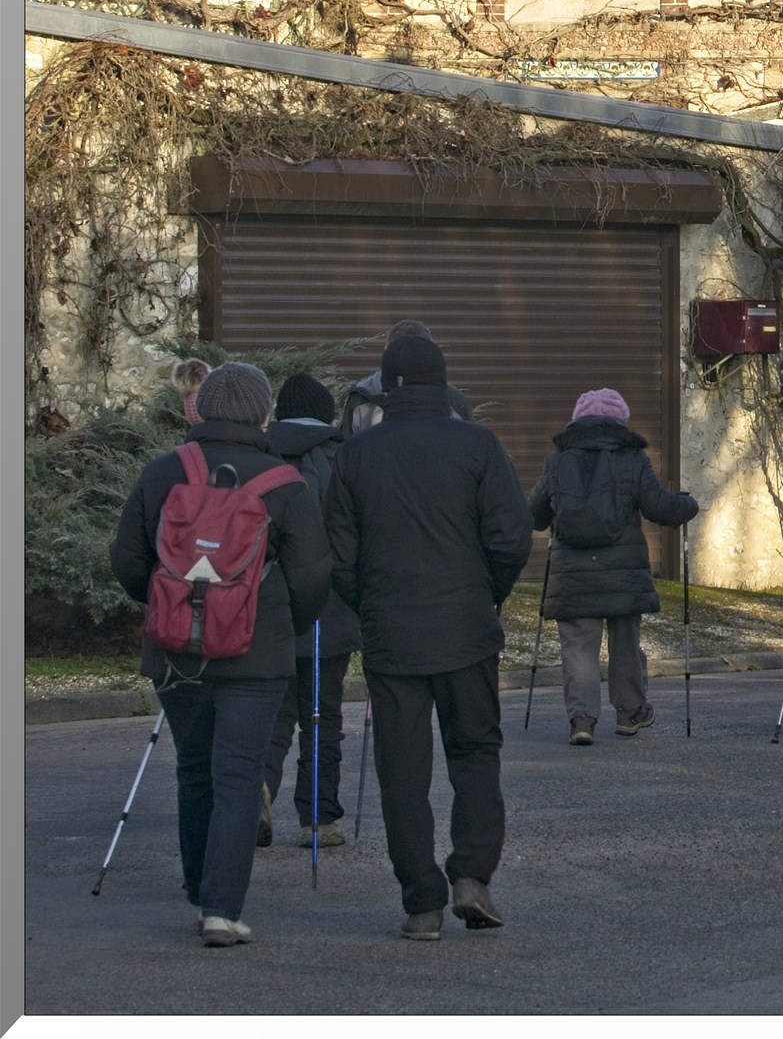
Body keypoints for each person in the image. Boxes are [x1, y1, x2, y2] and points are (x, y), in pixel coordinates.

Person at [107, 361, 328, 948]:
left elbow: (127, 559)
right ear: (262, 414)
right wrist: (280, 624)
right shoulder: (284, 483)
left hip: (175, 652)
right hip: (256, 656)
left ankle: (196, 887)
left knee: (193, 767)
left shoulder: (163, 472)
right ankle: (221, 909)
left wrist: (168, 609)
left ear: (201, 408)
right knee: (238, 776)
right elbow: (311, 576)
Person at [326, 331, 532, 941]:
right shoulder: (477, 446)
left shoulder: (357, 456)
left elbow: (339, 556)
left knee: (402, 773)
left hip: (393, 637)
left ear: (387, 388)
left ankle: (421, 902)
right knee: (475, 755)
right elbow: (511, 538)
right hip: (466, 630)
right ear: (442, 384)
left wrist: (370, 603)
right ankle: (472, 875)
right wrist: (486, 593)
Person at [528, 388, 699, 748]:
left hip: (572, 573)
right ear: (620, 421)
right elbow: (658, 506)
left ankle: (582, 720)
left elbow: (535, 514)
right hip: (623, 571)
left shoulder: (557, 460)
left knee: (577, 647)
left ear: (577, 421)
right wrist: (686, 506)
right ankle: (630, 713)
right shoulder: (632, 458)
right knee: (625, 642)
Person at [260, 373, 357, 850]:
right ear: (326, 413)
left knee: (275, 713)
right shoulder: (344, 459)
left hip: (268, 607)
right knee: (323, 716)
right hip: (332, 608)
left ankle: (258, 789)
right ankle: (319, 819)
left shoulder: (260, 456)